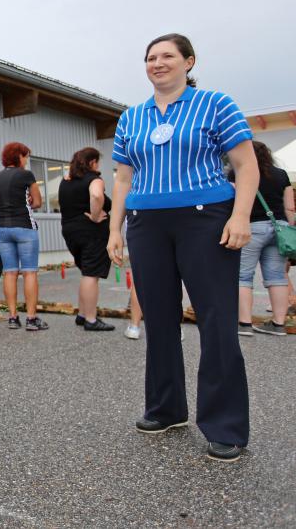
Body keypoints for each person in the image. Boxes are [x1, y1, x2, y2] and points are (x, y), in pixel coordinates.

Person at [107, 33, 258, 463]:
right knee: (158, 318)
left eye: (167, 56)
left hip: (204, 219)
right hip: (146, 223)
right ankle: (166, 408)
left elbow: (245, 164)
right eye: (151, 57)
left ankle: (225, 426)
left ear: (189, 62)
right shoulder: (131, 117)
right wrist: (115, 229)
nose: (157, 63)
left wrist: (240, 216)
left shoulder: (215, 104)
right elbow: (123, 178)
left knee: (216, 320)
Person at [229, 141, 295, 336]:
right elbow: (290, 207)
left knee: (243, 276)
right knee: (277, 277)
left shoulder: (238, 172)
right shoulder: (281, 174)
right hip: (279, 227)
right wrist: (288, 227)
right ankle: (278, 324)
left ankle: (245, 323)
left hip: (251, 226)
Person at [59, 147, 115, 331]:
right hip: (91, 232)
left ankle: (82, 315)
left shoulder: (66, 181)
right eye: (97, 162)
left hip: (70, 231)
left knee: (86, 272)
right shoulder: (94, 179)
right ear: (92, 162)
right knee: (92, 274)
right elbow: (97, 195)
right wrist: (95, 215)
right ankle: (91, 319)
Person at [0, 142, 46, 330]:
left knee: (10, 272)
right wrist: (30, 201)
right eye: (26, 157)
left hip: (2, 229)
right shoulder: (26, 175)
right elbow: (37, 202)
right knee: (29, 272)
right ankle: (31, 319)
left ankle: (13, 318)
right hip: (24, 227)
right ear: (19, 157)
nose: (26, 161)